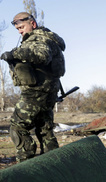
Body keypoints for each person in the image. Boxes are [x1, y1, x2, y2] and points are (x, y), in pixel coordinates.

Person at [0, 12, 65, 162]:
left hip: (36, 92)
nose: (20, 31)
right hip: (47, 92)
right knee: (44, 129)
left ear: (33, 24)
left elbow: (42, 55)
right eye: (17, 29)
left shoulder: (39, 37)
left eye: (22, 27)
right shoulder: (47, 38)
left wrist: (14, 53)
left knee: (17, 126)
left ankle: (27, 164)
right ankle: (54, 165)